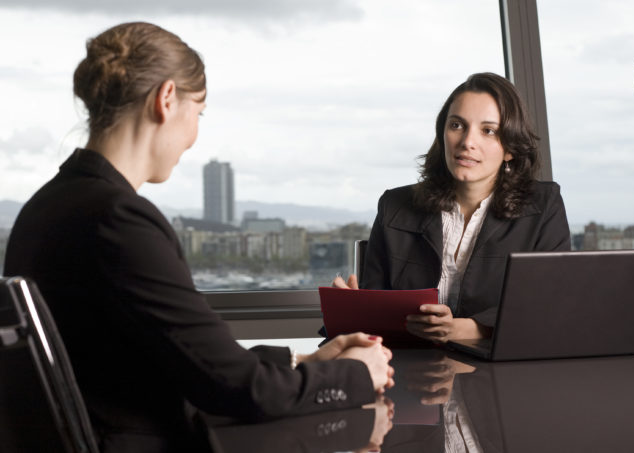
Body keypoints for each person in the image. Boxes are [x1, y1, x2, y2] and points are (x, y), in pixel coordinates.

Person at [4, 22, 393, 450]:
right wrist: (358, 374)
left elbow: (187, 358)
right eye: (199, 113)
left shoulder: (45, 208)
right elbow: (237, 389)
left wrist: (303, 359)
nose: (194, 135)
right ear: (167, 99)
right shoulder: (118, 221)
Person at [333, 72, 571, 345]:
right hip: (407, 371)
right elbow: (373, 323)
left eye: (488, 130)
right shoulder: (394, 206)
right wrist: (353, 310)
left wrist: (466, 329)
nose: (468, 142)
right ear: (442, 134)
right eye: (457, 125)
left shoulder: (543, 206)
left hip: (501, 372)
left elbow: (550, 305)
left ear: (510, 149)